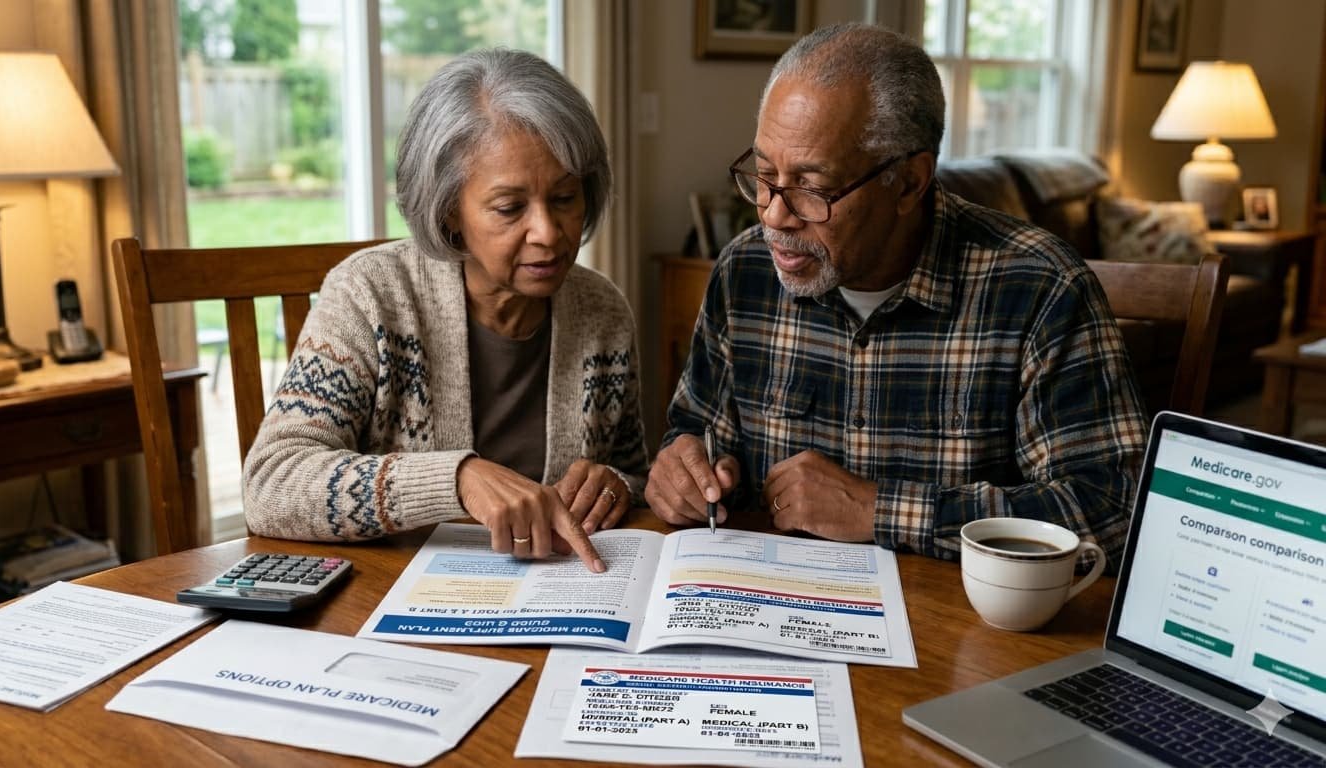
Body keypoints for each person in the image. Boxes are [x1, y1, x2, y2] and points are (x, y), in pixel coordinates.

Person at [646, 23, 1146, 566]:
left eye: (812, 188)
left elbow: (1110, 511)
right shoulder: (744, 271)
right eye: (765, 174)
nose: (773, 215)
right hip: (769, 595)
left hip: (953, 616)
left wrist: (878, 510)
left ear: (909, 182)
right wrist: (685, 471)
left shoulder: (1040, 287)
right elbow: (698, 435)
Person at [243, 48, 646, 573]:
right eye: (510, 208)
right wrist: (456, 479)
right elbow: (271, 483)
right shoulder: (371, 296)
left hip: (559, 597)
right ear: (449, 209)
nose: (548, 233)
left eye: (565, 198)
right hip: (389, 597)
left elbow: (633, 473)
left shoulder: (602, 312)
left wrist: (616, 486)